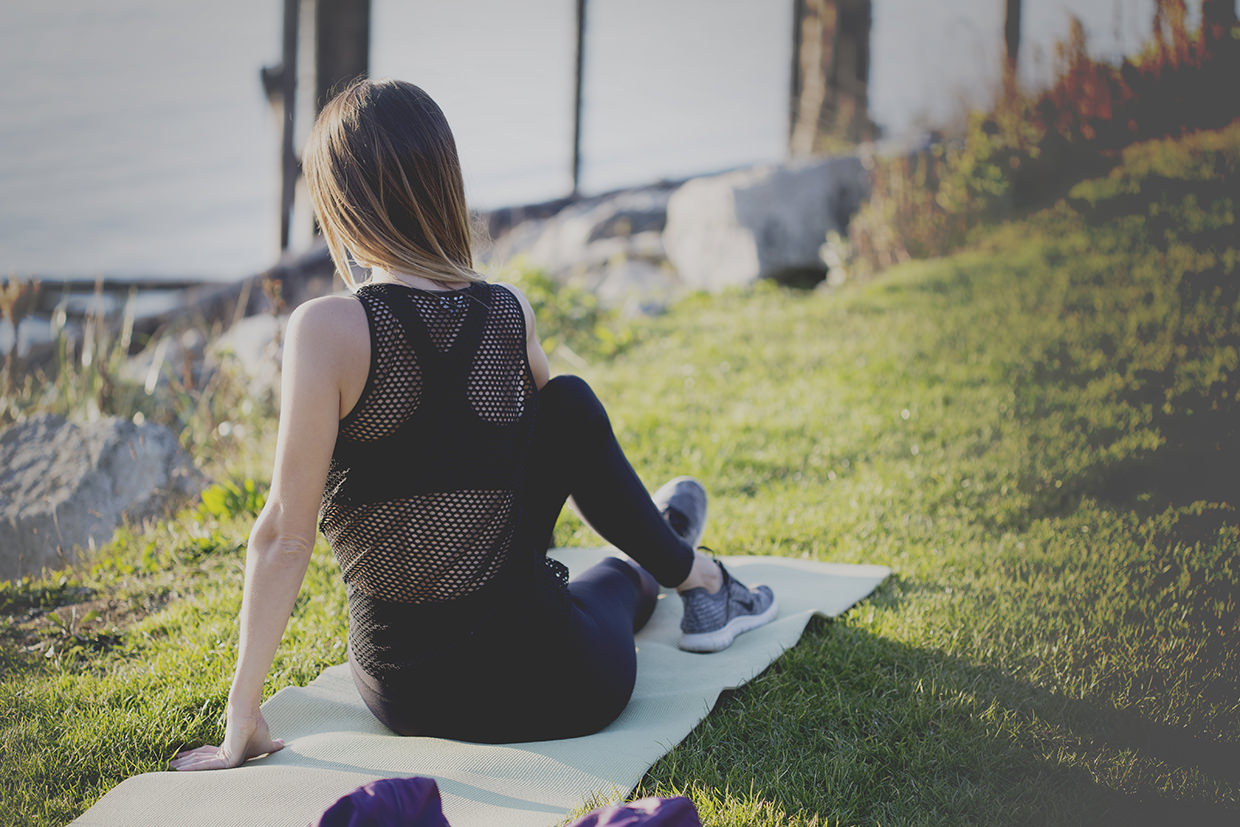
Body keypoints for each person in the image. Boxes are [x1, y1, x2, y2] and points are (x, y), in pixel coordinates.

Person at [170, 79, 776, 770]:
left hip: (408, 691)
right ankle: (690, 569)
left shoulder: (327, 329)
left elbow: (284, 534)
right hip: (567, 685)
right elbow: (562, 448)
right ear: (444, 187)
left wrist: (241, 717)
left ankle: (671, 543)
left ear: (340, 208)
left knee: (581, 490)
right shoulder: (510, 313)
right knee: (606, 550)